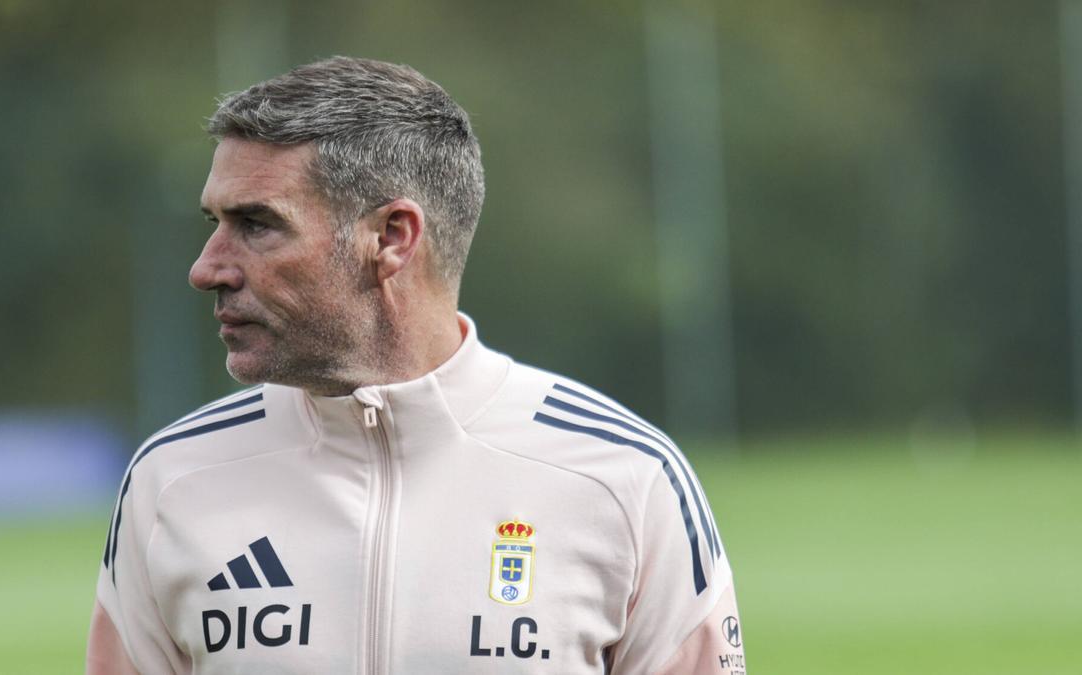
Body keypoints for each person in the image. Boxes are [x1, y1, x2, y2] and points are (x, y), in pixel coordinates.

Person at [86, 56, 746, 675]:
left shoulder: (623, 477)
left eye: (256, 224)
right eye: (215, 221)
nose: (207, 267)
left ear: (392, 237)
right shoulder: (172, 480)